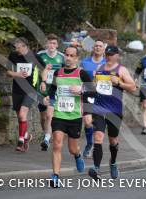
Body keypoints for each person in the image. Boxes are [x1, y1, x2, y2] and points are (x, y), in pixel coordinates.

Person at [45, 46, 94, 188]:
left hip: (74, 117)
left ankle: (77, 155)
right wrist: (48, 98)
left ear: (76, 58)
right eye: (66, 55)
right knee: (57, 144)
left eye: (72, 55)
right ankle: (55, 176)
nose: (68, 57)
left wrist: (81, 90)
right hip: (59, 114)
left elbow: (94, 92)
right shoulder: (58, 72)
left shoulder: (82, 74)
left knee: (72, 148)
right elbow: (53, 90)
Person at [88, 45, 136, 181]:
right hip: (98, 107)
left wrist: (119, 82)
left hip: (114, 110)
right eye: (107, 54)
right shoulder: (99, 69)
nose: (108, 56)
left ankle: (113, 162)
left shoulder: (121, 70)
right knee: (98, 137)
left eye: (111, 54)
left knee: (113, 140)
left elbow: (132, 87)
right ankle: (96, 169)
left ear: (117, 56)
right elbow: (94, 85)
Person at [7, 37, 44, 152]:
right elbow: (8, 72)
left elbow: (44, 69)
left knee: (23, 114)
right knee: (20, 117)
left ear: (24, 46)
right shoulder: (13, 56)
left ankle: (21, 140)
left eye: (18, 47)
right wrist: (17, 74)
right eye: (15, 47)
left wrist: (43, 82)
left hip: (31, 90)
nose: (16, 49)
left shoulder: (35, 57)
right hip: (17, 90)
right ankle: (27, 136)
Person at [38, 33, 65, 151]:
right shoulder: (40, 55)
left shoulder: (62, 57)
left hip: (54, 90)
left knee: (50, 115)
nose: (52, 45)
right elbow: (35, 70)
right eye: (50, 43)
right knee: (43, 117)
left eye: (54, 43)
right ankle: (46, 133)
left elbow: (65, 72)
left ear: (57, 45)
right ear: (46, 44)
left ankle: (46, 139)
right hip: (42, 89)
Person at [80, 40, 106, 158]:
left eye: (100, 46)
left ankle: (96, 143)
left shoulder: (107, 63)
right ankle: (89, 144)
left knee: (98, 123)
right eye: (96, 46)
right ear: (93, 48)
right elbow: (78, 76)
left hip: (102, 97)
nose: (98, 48)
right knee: (87, 121)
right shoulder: (84, 62)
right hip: (88, 95)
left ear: (103, 49)